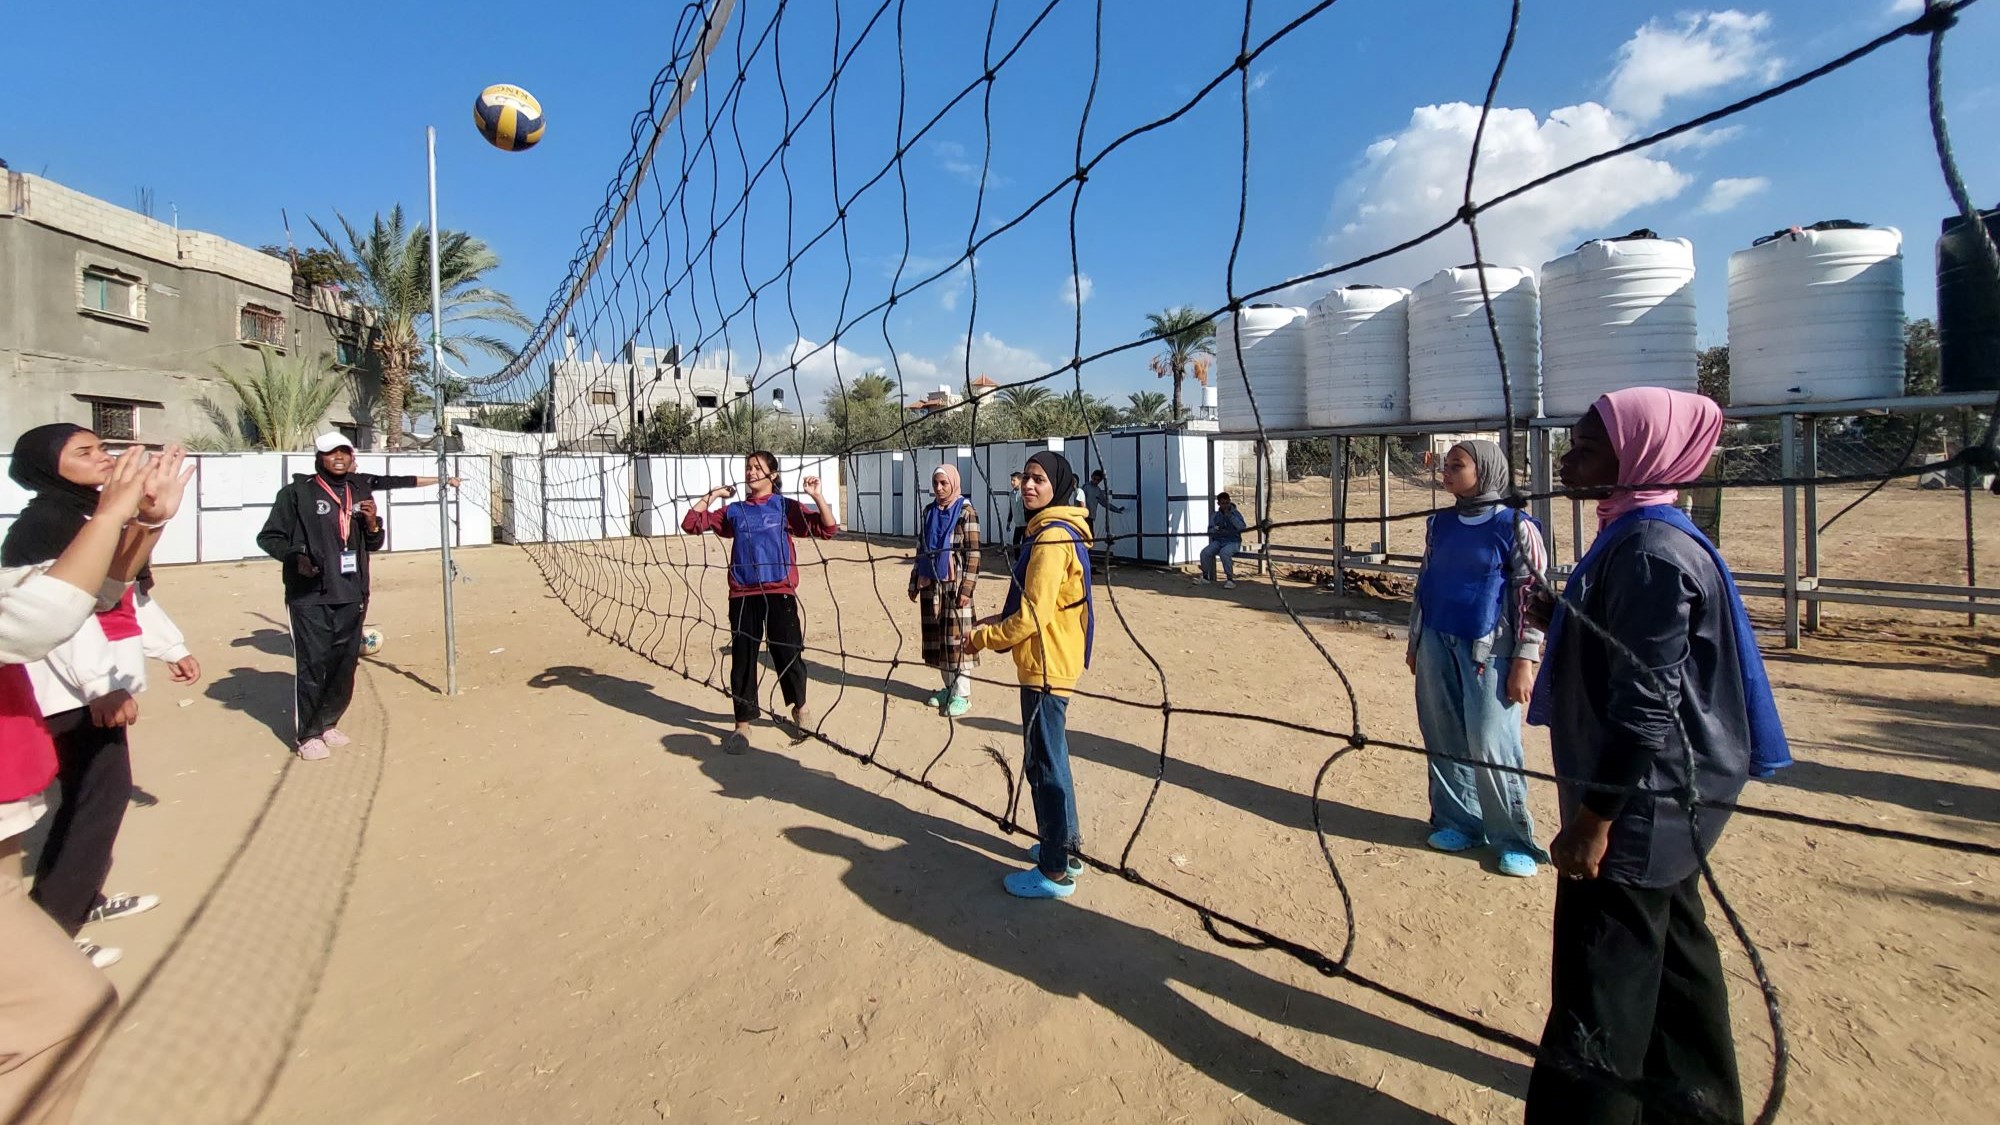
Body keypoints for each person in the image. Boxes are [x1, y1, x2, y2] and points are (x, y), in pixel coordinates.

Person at [1524, 387, 1791, 1125]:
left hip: (1636, 811)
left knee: (1599, 995)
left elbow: (1646, 705)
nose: (1567, 456)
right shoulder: (1640, 532)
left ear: (1639, 452)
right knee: (1679, 976)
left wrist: (1593, 821)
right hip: (1671, 808)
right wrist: (1567, 618)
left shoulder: (1647, 550)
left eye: (1586, 444)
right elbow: (1639, 653)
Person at [2, 442, 188, 1125]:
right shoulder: (50, 521)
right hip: (68, 695)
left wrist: (144, 522)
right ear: (49, 466)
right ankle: (63, 917)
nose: (107, 454)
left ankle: (64, 915)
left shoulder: (72, 516)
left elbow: (103, 594)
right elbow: (38, 620)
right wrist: (115, 515)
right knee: (92, 800)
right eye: (84, 449)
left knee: (71, 1008)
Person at [1404, 439, 1547, 880]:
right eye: (1445, 465)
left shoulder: (1516, 526)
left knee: (1491, 740)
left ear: (1484, 471)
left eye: (1457, 465)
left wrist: (1526, 658)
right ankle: (1458, 822)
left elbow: (1533, 597)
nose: (1446, 472)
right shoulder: (1440, 523)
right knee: (1442, 733)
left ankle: (1513, 839)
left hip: (1490, 648)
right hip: (1435, 640)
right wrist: (1415, 641)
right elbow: (1424, 581)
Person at [965, 451, 1094, 899]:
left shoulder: (1052, 538)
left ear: (1057, 485)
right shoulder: (1056, 530)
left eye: (1038, 479)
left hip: (1046, 664)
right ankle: (1067, 849)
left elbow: (1031, 616)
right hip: (1053, 659)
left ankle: (1054, 870)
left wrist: (982, 638)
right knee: (1054, 758)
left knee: (1044, 764)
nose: (1028, 486)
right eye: (1024, 479)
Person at [683, 451, 839, 753]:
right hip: (743, 595)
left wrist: (817, 496)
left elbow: (828, 529)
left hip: (780, 593)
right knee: (742, 660)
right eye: (748, 468)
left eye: (757, 467)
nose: (750, 472)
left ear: (773, 475)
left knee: (788, 654)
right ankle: (742, 725)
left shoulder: (784, 507)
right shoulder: (735, 511)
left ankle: (800, 709)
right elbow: (690, 523)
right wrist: (715, 494)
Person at [256, 432, 387, 761]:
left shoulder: (359, 491)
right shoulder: (296, 494)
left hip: (352, 592)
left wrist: (372, 524)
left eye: (345, 451)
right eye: (331, 452)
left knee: (343, 664)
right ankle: (309, 734)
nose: (339, 457)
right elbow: (268, 537)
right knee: (313, 662)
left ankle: (329, 722)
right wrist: (294, 555)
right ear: (320, 457)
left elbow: (371, 544)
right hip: (310, 594)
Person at [908, 465, 980, 717]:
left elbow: (972, 554)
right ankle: (948, 688)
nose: (939, 488)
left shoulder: (966, 512)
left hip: (955, 585)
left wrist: (966, 589)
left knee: (957, 640)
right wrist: (915, 580)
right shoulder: (929, 511)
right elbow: (921, 547)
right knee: (939, 640)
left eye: (944, 484)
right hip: (931, 583)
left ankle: (962, 694)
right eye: (935, 483)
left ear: (954, 484)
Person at [1193, 491, 1248, 588]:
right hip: (1219, 541)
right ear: (1218, 503)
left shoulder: (1235, 514)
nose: (1225, 505)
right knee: (1205, 553)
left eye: (1227, 503)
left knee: (1224, 553)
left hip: (1233, 541)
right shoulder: (1215, 515)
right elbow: (1209, 530)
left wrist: (1231, 517)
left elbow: (1242, 527)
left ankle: (1230, 579)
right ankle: (1206, 577)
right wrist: (1215, 529)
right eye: (1223, 503)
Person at [1081, 469, 1125, 573]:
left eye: (1097, 480)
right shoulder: (1085, 487)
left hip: (1090, 518)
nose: (1095, 481)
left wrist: (1117, 510)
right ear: (1091, 477)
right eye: (1094, 478)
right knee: (1087, 540)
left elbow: (1105, 503)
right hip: (1084, 518)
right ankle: (1085, 565)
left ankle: (1088, 564)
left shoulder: (1098, 491)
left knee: (1090, 541)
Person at [1006, 472, 1027, 553]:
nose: (1012, 482)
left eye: (1014, 480)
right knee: (1015, 542)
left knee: (1026, 544)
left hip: (1026, 524)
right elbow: (1011, 509)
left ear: (1020, 481)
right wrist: (1008, 522)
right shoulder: (1011, 495)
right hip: (1018, 524)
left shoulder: (1024, 493)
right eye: (1011, 480)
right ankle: (1017, 560)